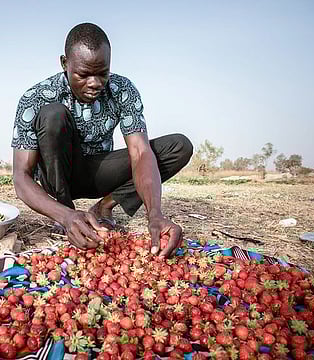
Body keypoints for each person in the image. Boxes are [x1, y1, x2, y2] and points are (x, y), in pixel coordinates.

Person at [11, 23, 193, 258]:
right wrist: (65, 216)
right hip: (56, 177)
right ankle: (69, 212)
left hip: (97, 173)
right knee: (52, 115)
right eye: (84, 74)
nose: (95, 83)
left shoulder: (122, 90)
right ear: (64, 63)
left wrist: (154, 214)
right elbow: (20, 176)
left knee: (178, 146)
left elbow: (140, 152)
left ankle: (104, 206)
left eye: (102, 73)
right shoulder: (35, 98)